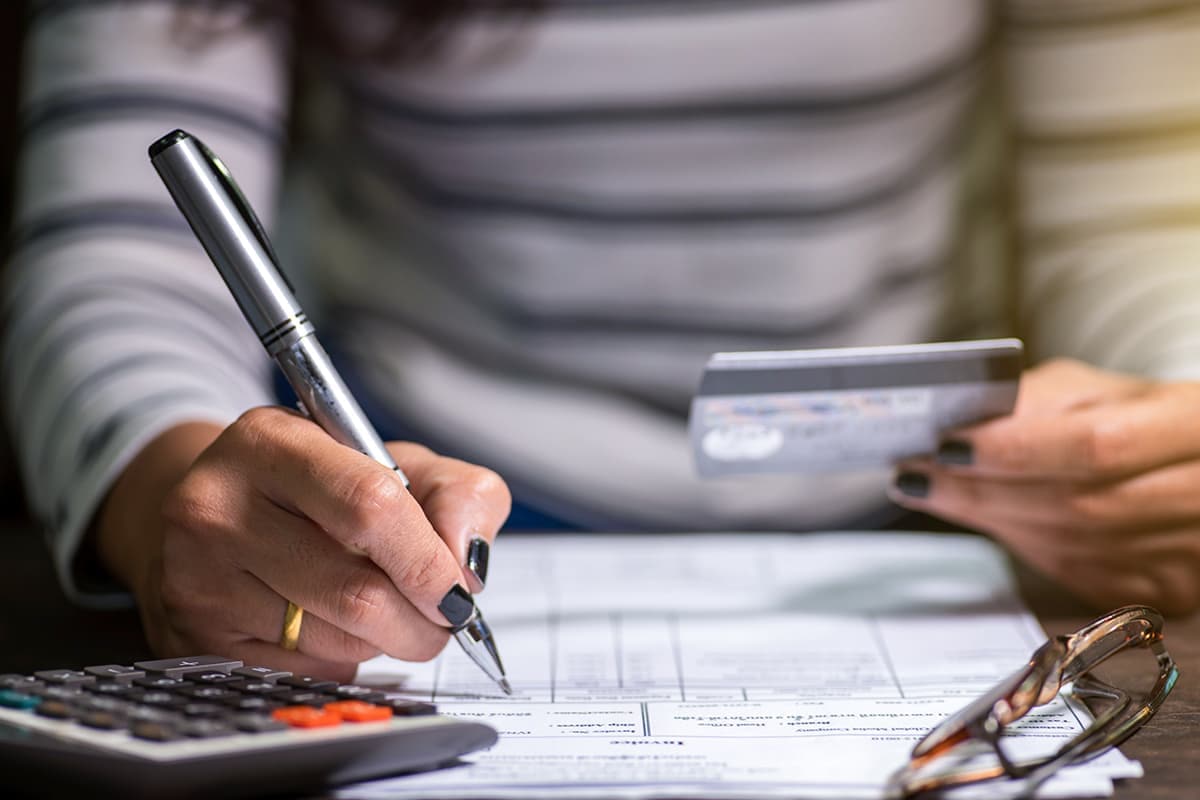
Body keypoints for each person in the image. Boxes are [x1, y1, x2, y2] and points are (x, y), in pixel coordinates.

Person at [6, 0, 1200, 680]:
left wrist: (1175, 418)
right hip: (390, 516)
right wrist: (173, 487)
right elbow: (118, 252)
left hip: (930, 529)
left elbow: (1145, 217)